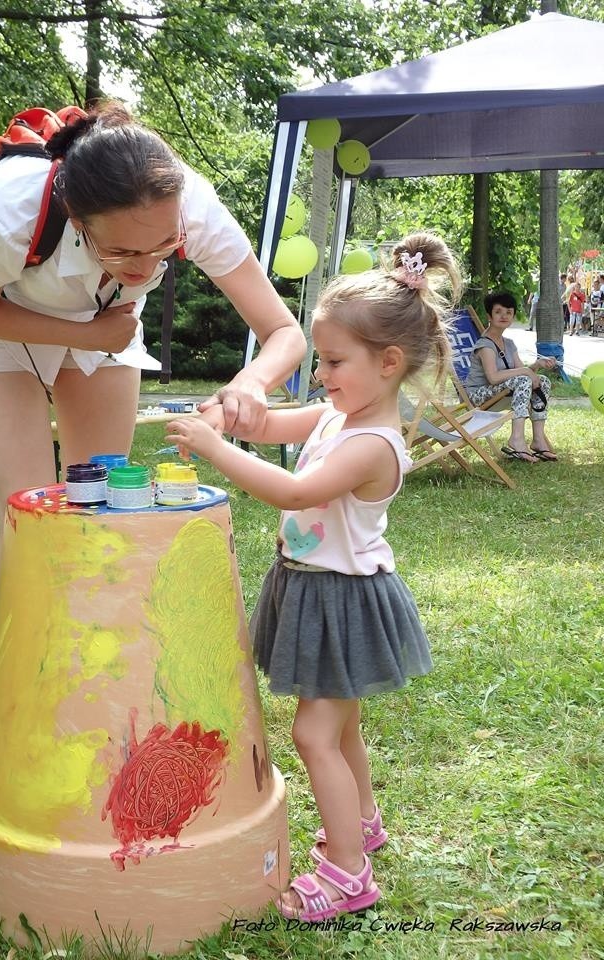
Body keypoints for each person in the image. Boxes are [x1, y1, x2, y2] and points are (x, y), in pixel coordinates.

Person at [166, 232, 458, 921]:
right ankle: (363, 823)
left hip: (344, 601)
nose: (321, 374)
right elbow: (268, 426)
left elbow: (296, 495)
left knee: (314, 736)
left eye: (333, 361)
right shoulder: (337, 414)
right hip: (314, 588)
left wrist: (215, 452)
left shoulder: (371, 444)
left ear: (388, 363)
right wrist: (232, 414)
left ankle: (348, 875)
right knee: (343, 730)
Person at [0, 100, 305, 579]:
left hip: (107, 331)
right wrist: (87, 333)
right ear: (76, 219)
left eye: (161, 247)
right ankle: (32, 651)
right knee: (28, 505)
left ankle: (92, 644)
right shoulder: (7, 216)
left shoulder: (191, 208)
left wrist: (252, 382)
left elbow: (284, 332)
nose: (142, 266)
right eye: (119, 250)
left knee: (101, 499)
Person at [465, 291, 558, 463]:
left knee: (542, 381)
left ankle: (538, 440)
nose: (504, 316)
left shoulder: (508, 343)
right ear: (489, 316)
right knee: (524, 379)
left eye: (509, 312)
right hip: (479, 396)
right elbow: (493, 378)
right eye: (498, 311)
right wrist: (526, 372)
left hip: (501, 393)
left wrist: (537, 365)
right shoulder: (485, 345)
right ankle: (516, 439)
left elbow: (521, 371)